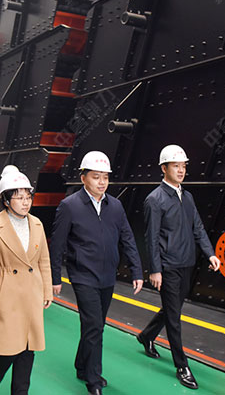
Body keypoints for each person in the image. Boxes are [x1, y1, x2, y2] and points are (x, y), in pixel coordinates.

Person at [50, 151, 143, 395]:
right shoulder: (70, 206)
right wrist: (54, 278)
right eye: (96, 177)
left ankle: (82, 366)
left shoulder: (116, 206)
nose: (102, 182)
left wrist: (137, 270)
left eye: (105, 177)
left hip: (107, 275)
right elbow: (57, 244)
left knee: (95, 325)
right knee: (94, 326)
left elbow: (128, 238)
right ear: (83, 178)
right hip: (83, 275)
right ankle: (93, 379)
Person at [136, 145, 221, 390]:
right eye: (176, 166)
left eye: (183, 166)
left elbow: (198, 227)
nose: (181, 170)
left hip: (187, 263)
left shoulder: (188, 197)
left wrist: (210, 253)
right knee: (174, 317)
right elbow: (151, 238)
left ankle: (146, 335)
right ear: (164, 168)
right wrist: (155, 269)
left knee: (172, 309)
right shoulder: (155, 200)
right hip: (168, 266)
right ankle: (182, 366)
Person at [0, 170, 53, 395]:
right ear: (6, 200)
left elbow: (44, 261)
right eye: (19, 197)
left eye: (28, 197)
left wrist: (47, 291)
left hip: (31, 294)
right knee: (7, 350)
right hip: (6, 295)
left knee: (28, 350)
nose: (25, 202)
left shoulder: (37, 224)